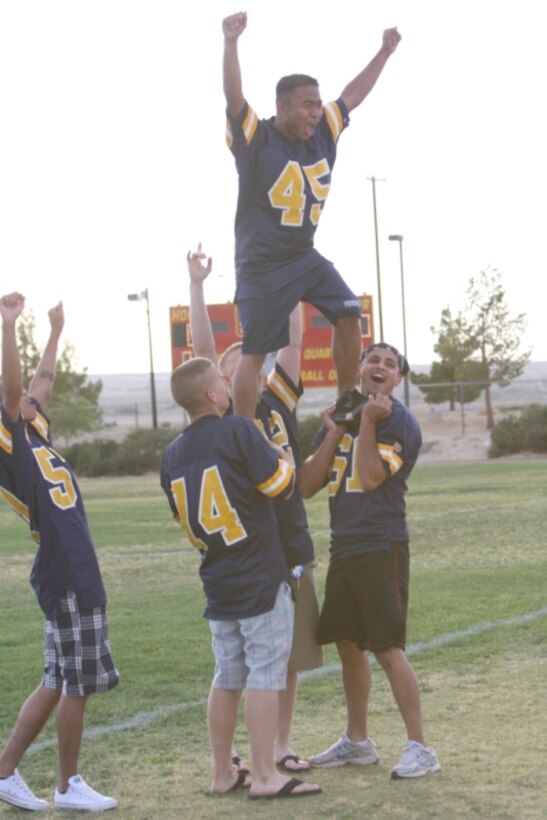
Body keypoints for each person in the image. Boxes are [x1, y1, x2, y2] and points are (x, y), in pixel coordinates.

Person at [222, 11, 401, 420]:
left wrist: (383, 53)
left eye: (318, 105)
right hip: (262, 264)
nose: (316, 113)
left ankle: (345, 401)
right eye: (307, 106)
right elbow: (234, 99)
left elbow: (352, 95)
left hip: (303, 256)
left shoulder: (323, 132)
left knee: (349, 311)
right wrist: (231, 44)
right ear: (281, 108)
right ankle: (244, 431)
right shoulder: (256, 138)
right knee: (256, 352)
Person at [187, 244, 323, 774]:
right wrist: (197, 287)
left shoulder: (278, 402)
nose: (253, 368)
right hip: (251, 548)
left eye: (256, 361)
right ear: (220, 384)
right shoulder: (231, 418)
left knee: (289, 657)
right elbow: (202, 352)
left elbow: (292, 339)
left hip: (291, 537)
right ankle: (246, 755)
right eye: (237, 364)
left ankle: (280, 744)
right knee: (244, 661)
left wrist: (285, 276)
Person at [160, 356, 321, 799]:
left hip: (217, 575)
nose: (228, 385)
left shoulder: (171, 453)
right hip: (258, 573)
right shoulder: (237, 430)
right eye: (221, 381)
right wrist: (282, 453)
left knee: (226, 675)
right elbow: (281, 485)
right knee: (265, 675)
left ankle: (221, 772)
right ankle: (267, 775)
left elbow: (184, 518)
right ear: (212, 394)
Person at [298, 342, 442, 779]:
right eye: (373, 360)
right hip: (344, 545)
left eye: (390, 364)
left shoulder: (397, 420)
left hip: (381, 545)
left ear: (398, 379)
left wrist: (364, 423)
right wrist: (338, 430)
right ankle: (357, 741)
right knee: (347, 643)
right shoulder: (344, 415)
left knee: (386, 647)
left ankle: (420, 747)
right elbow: (306, 485)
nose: (380, 367)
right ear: (360, 369)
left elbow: (373, 476)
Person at [0, 293, 120, 812]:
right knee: (77, 684)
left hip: (68, 566)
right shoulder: (9, 435)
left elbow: (40, 381)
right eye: (24, 396)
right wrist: (9, 326)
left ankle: (3, 773)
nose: (34, 394)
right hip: (65, 568)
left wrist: (55, 331)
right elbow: (13, 390)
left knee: (55, 682)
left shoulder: (35, 430)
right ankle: (68, 785)